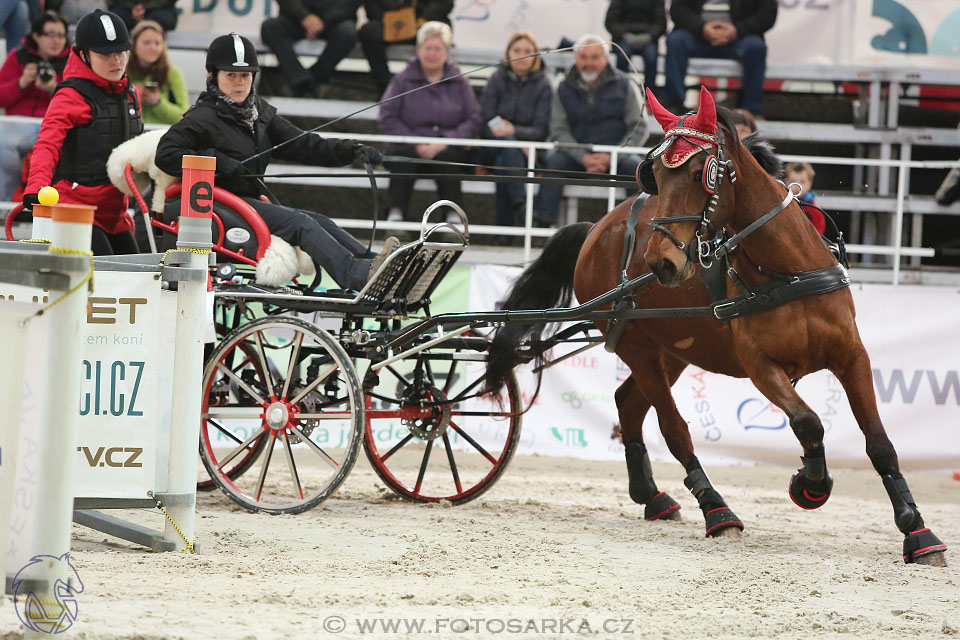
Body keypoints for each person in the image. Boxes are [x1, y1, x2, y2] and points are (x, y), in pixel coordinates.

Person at [155, 33, 396, 291]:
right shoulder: (201, 118)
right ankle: (356, 276)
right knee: (301, 224)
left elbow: (306, 146)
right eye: (231, 76)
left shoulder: (260, 114)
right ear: (213, 76)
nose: (239, 83)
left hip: (249, 205)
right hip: (221, 207)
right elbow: (166, 153)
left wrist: (351, 150)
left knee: (318, 220)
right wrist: (220, 163)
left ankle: (374, 264)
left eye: (245, 75)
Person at [22, 9, 143, 254]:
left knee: (137, 275)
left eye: (120, 52)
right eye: (105, 54)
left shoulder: (132, 93)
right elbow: (47, 144)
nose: (116, 61)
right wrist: (36, 186)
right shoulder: (70, 95)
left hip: (116, 215)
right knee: (105, 278)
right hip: (74, 210)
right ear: (84, 54)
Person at [535, 35, 646, 227]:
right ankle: (542, 228)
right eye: (584, 57)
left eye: (595, 57)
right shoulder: (563, 88)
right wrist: (583, 157)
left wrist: (612, 157)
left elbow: (638, 127)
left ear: (605, 58)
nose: (589, 63)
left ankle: (638, 227)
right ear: (576, 59)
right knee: (553, 165)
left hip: (617, 155)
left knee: (637, 171)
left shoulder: (626, 85)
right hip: (576, 156)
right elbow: (558, 130)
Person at [377, 21, 482, 222]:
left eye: (438, 49)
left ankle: (453, 217)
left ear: (447, 52)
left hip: (447, 146)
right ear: (418, 50)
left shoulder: (460, 81)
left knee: (449, 160)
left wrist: (444, 141)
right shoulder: (402, 80)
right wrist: (416, 142)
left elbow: (473, 118)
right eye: (428, 48)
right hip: (407, 146)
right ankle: (395, 215)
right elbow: (388, 116)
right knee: (404, 160)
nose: (432, 53)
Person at [480, 30, 552, 227]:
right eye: (517, 50)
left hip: (529, 153)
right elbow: (485, 119)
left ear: (535, 56)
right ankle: (521, 204)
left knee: (506, 163)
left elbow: (542, 130)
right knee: (507, 149)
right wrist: (507, 137)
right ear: (508, 54)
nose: (522, 55)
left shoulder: (544, 85)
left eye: (528, 51)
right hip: (492, 147)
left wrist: (514, 133)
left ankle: (503, 232)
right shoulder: (496, 79)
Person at [0, 10, 69, 201]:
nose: (56, 40)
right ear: (36, 36)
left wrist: (54, 89)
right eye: (50, 34)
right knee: (2, 139)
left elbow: (78, 101)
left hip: (55, 124)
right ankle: (6, 204)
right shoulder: (19, 57)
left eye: (61, 35)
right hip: (19, 124)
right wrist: (21, 83)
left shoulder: (72, 61)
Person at [664, 0, 777, 115]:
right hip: (697, 36)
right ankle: (674, 105)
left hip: (740, 38)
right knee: (675, 41)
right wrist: (702, 28)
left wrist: (737, 30)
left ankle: (750, 110)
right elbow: (677, 10)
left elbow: (767, 14)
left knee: (756, 47)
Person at [260, 0, 360, 98]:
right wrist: (304, 16)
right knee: (270, 27)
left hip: (336, 21)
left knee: (348, 32)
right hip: (295, 19)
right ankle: (299, 78)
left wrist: (324, 21)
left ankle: (313, 79)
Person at [360, 0, 452, 96]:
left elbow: (444, 3)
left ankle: (434, 87)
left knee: (434, 35)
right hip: (391, 22)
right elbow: (372, 7)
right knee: (369, 32)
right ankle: (387, 89)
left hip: (425, 21)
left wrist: (423, 19)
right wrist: (394, 21)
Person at [125, 20, 187, 124]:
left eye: (157, 43)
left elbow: (184, 117)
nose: (153, 48)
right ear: (134, 44)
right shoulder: (121, 71)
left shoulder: (173, 73)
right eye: (146, 43)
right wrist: (132, 96)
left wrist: (157, 103)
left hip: (162, 135)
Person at [604, 0, 666, 94]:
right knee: (623, 56)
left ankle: (649, 96)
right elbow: (610, 21)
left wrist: (650, 36)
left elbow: (661, 23)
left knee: (651, 58)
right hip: (623, 38)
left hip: (648, 38)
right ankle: (620, 93)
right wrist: (623, 35)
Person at [785, 161, 825, 235]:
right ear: (785, 181)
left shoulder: (815, 212)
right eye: (793, 181)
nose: (797, 185)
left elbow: (818, 239)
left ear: (810, 183)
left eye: (802, 182)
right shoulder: (781, 207)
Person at [107, 0, 176, 33]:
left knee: (158, 23)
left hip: (158, 8)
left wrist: (144, 7)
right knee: (113, 23)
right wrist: (133, 7)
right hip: (125, 7)